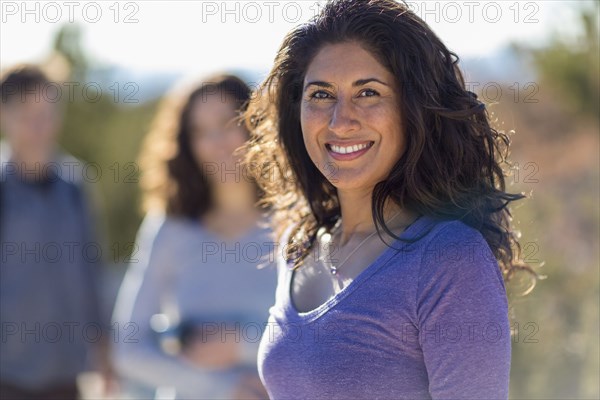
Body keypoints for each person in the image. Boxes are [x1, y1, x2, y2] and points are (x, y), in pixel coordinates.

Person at [242, 0, 541, 399]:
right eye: (321, 94)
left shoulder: (449, 258)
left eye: (368, 92)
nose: (340, 121)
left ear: (412, 109)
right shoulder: (299, 245)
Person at [112, 74, 277, 400]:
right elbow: (127, 348)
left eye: (226, 123)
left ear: (254, 123)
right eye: (200, 132)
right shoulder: (169, 228)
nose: (216, 142)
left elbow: (324, 338)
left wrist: (243, 344)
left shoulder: (293, 224)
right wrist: (221, 388)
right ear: (187, 145)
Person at [0, 65, 112, 399]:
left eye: (47, 114)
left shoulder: (75, 187)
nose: (39, 126)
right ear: (4, 114)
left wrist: (105, 354)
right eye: (27, 115)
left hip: (66, 375)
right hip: (9, 376)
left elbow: (91, 273)